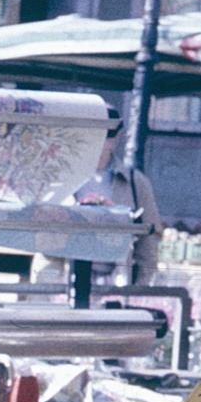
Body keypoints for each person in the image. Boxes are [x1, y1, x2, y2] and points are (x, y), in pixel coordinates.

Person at [34, 121, 162, 285]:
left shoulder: (136, 182)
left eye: (109, 131)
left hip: (115, 281)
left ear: (117, 136)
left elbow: (149, 238)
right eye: (96, 129)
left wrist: (142, 288)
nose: (102, 138)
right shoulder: (58, 176)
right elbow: (41, 235)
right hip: (62, 276)